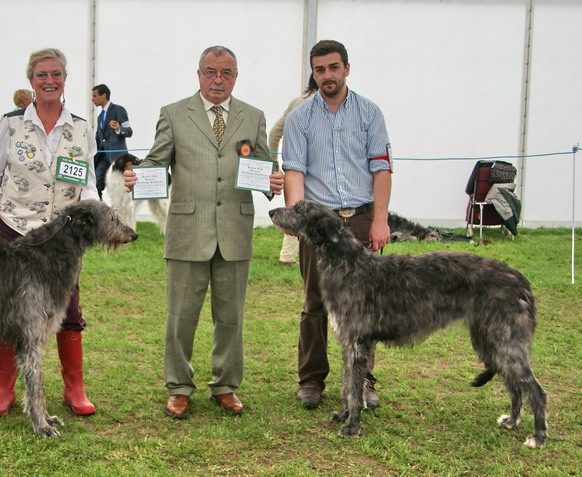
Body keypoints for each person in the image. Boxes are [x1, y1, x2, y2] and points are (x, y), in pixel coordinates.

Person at [124, 45, 284, 419]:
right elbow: (157, 161)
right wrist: (138, 175)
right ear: (198, 74)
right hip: (186, 230)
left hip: (235, 230)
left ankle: (226, 386)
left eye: (225, 73)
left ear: (235, 77)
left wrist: (271, 181)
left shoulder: (254, 116)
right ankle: (179, 387)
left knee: (231, 317)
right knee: (181, 317)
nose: (217, 79)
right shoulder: (174, 114)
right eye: (211, 71)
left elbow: (260, 164)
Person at [0, 48, 99, 417]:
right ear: (31, 81)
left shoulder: (81, 128)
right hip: (14, 230)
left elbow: (89, 186)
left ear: (65, 78)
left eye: (56, 74)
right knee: (8, 312)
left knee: (68, 311)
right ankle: (5, 391)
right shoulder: (11, 126)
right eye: (42, 75)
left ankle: (74, 389)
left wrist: (93, 218)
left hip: (63, 239)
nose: (50, 80)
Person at [282, 40, 392, 409]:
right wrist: (297, 220)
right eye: (319, 69)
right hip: (319, 225)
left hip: (360, 220)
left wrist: (379, 220)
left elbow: (381, 169)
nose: (326, 75)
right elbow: (294, 172)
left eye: (332, 67)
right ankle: (311, 380)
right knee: (315, 302)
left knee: (365, 307)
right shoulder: (300, 118)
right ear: (312, 73)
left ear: (346, 68)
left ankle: (364, 381)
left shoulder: (370, 113)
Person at [268, 75, 318, 265]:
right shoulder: (322, 105)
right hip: (313, 173)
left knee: (295, 210)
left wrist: (275, 165)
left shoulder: (296, 102)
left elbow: (273, 134)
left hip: (294, 168)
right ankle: (291, 256)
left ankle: (288, 256)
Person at [92, 84, 132, 198]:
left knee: (120, 187)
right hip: (102, 157)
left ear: (104, 95)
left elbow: (128, 131)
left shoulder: (118, 110)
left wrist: (118, 129)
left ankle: (122, 212)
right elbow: (98, 138)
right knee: (96, 184)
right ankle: (97, 210)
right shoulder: (100, 117)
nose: (92, 99)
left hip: (117, 157)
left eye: (95, 96)